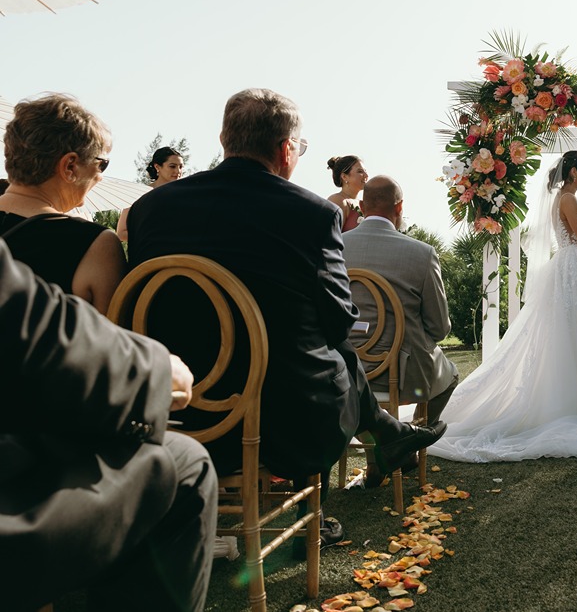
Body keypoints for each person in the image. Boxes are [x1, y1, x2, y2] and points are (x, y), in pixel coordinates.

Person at [127, 89, 445, 488]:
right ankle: (356, 469)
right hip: (285, 426)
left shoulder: (149, 210)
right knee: (338, 352)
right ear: (285, 150)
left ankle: (387, 435)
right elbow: (337, 322)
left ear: (225, 142)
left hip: (178, 411)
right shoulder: (311, 213)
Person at [0, 239, 217, 612]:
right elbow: (22, 321)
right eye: (96, 173)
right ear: (67, 174)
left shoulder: (148, 214)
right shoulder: (94, 243)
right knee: (183, 465)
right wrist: (154, 369)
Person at [429, 150, 577, 462]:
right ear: (573, 173)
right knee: (573, 335)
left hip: (576, 269)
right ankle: (569, 406)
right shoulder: (567, 199)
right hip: (573, 268)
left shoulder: (565, 198)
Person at [343, 175, 459, 420]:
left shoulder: (334, 248)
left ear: (362, 207)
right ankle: (413, 438)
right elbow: (439, 328)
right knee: (451, 376)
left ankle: (379, 448)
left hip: (344, 370)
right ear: (399, 207)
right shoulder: (422, 254)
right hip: (403, 375)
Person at [0, 93, 126, 313]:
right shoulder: (95, 244)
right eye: (102, 164)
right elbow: (115, 342)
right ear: (70, 166)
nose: (101, 176)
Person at [116, 146, 184, 242]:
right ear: (157, 167)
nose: (178, 171)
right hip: (148, 253)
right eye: (172, 166)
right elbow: (121, 233)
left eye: (181, 167)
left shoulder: (184, 197)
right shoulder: (138, 194)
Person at [326, 154, 368, 232]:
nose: (366, 175)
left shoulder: (364, 204)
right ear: (344, 176)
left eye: (365, 171)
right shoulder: (338, 200)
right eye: (360, 171)